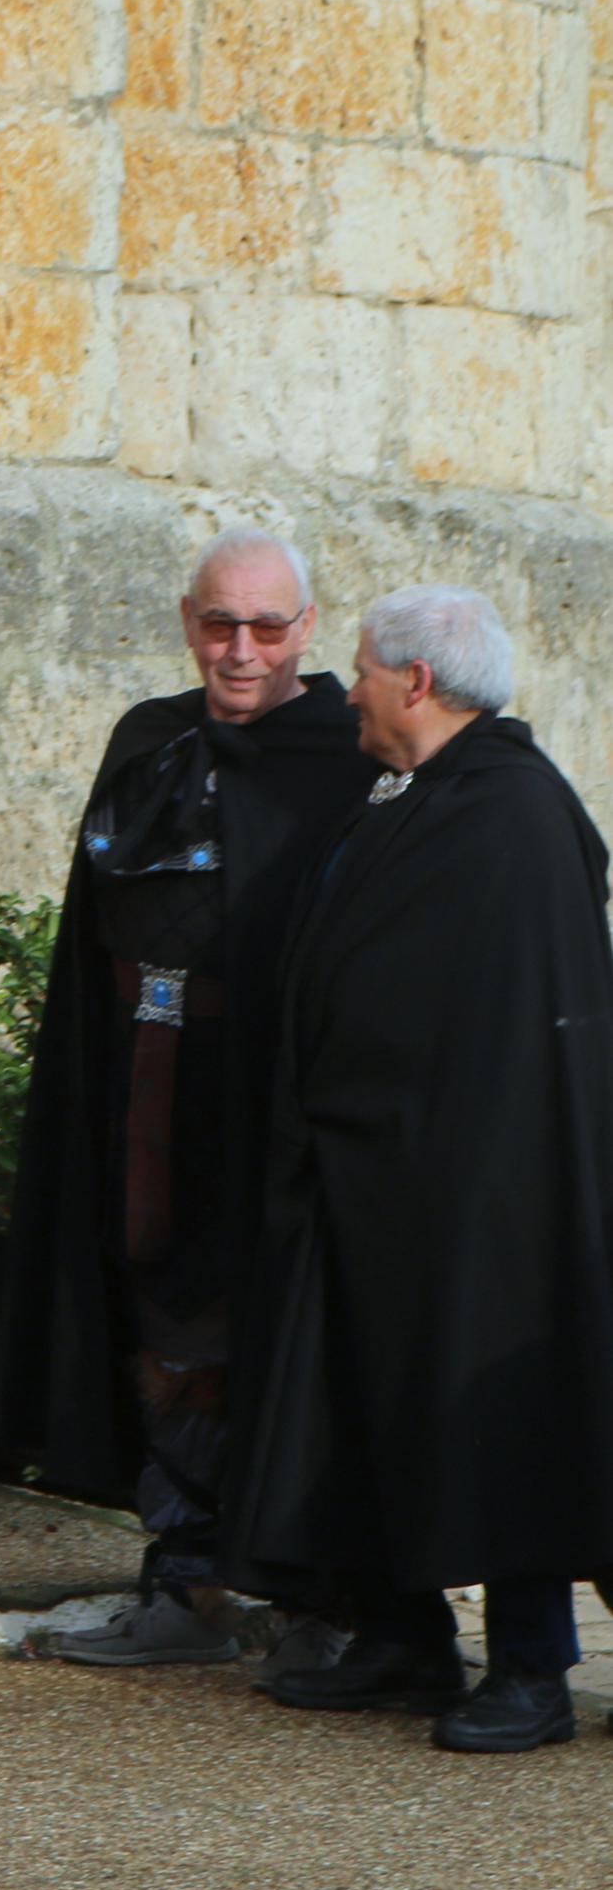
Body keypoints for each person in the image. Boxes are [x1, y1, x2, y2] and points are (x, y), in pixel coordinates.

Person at [233, 586, 613, 1756]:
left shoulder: (510, 814)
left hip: (484, 1188)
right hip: (377, 1164)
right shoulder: (422, 794)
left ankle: (530, 1667)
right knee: (363, 1395)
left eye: (356, 669)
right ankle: (401, 1635)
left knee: (494, 1411)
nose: (344, 690)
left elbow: (499, 1019)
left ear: (412, 681)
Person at [0, 529, 366, 1671]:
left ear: (306, 629)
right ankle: (184, 1572)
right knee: (158, 1309)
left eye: (265, 627)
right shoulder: (148, 739)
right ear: (183, 620)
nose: (240, 650)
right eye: (218, 624)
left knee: (282, 1327)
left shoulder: (339, 757)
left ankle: (311, 1592)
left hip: (272, 1097)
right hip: (142, 1080)